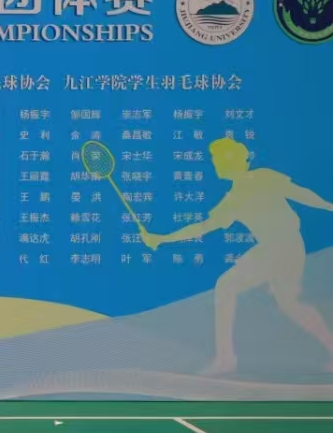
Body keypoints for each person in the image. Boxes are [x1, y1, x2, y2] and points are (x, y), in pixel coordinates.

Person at [142, 136, 333, 375]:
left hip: (281, 248)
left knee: (227, 286)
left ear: (230, 160)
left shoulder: (261, 178)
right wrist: (162, 238)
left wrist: (329, 206)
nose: (214, 164)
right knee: (290, 304)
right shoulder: (233, 198)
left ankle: (225, 358)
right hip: (284, 248)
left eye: (217, 159)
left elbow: (300, 193)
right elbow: (203, 227)